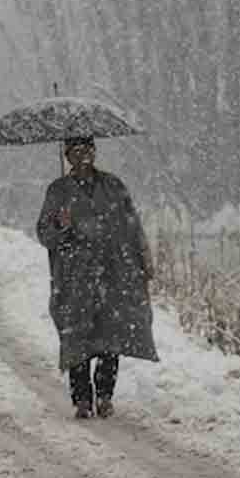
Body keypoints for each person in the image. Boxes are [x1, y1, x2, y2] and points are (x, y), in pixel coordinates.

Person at [36, 136, 157, 419]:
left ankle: (105, 395)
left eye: (87, 150)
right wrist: (61, 226)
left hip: (113, 273)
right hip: (75, 277)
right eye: (76, 152)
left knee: (109, 336)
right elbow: (44, 234)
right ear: (67, 156)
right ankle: (82, 400)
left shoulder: (114, 186)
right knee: (78, 337)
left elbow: (131, 223)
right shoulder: (58, 191)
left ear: (94, 151)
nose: (82, 157)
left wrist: (143, 259)